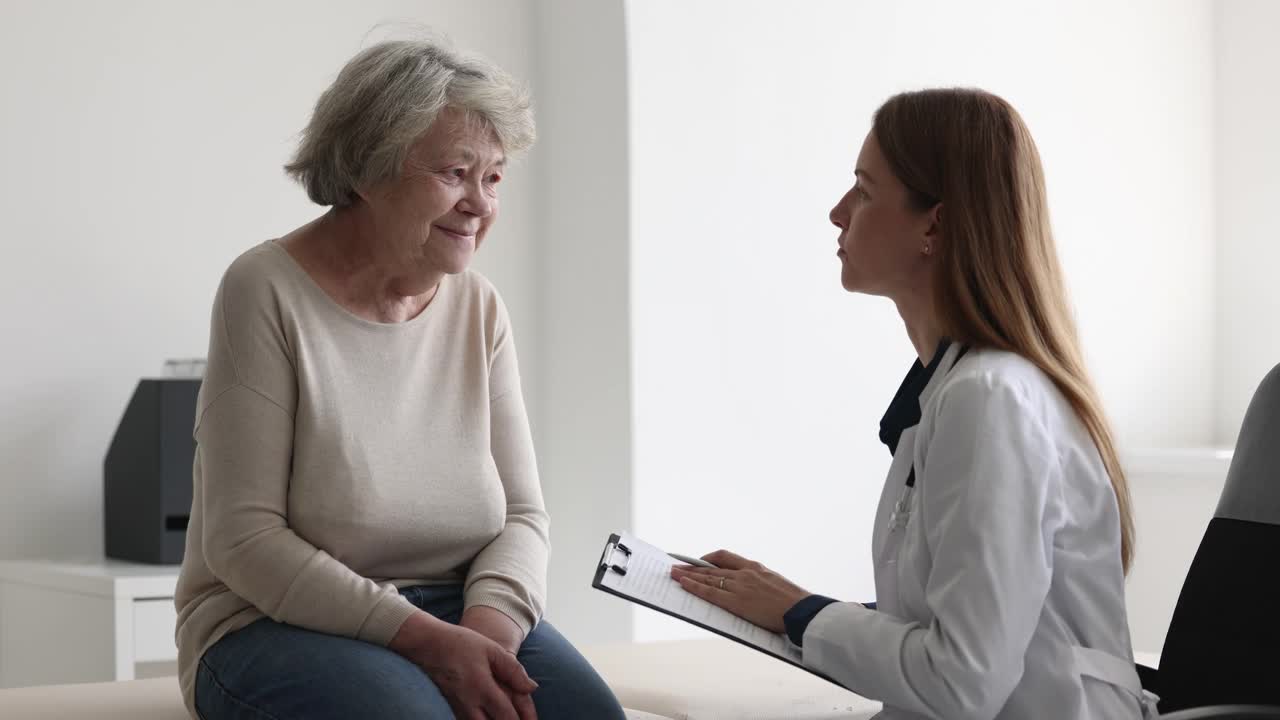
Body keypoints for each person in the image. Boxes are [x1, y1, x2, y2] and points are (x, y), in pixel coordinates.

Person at [173, 37, 626, 720]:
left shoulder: (479, 309)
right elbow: (244, 541)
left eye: (495, 177)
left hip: (456, 610)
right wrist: (427, 644)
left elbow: (524, 517)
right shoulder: (264, 289)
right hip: (270, 622)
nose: (480, 203)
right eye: (455, 172)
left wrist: (481, 639)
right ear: (367, 168)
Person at [670, 89, 1156, 719]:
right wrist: (790, 606)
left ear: (934, 224)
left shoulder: (991, 399)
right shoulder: (956, 390)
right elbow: (944, 638)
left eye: (864, 192)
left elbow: (961, 684)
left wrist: (799, 613)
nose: (837, 213)